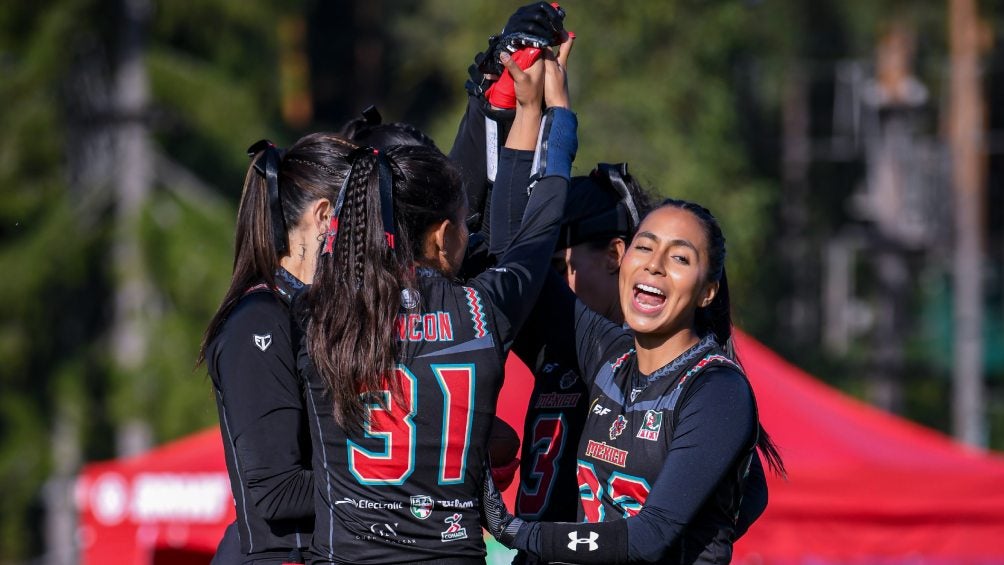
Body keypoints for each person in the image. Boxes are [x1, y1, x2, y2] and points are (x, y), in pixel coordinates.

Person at [297, 37, 576, 564]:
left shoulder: (317, 310)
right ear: (443, 234)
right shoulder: (481, 309)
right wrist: (551, 115)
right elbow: (536, 228)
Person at [484, 198, 784, 564]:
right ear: (623, 257)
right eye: (644, 247)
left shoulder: (718, 388)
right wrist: (551, 140)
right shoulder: (609, 355)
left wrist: (515, 531)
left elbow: (648, 537)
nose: (654, 265)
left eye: (680, 258)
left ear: (708, 291)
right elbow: (513, 250)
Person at [199, 133, 359, 563]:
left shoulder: (317, 312)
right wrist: (397, 475)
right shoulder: (259, 320)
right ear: (325, 216)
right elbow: (276, 490)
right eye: (364, 221)